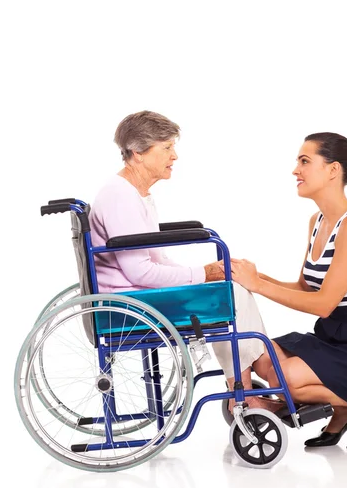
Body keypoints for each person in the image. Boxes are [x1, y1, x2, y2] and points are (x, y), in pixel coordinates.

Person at [228, 132, 347, 452]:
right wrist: (252, 278)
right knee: (261, 360)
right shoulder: (318, 221)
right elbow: (304, 288)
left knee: (283, 378)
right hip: (336, 336)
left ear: (332, 170)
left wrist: (258, 285)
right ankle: (345, 406)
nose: (295, 170)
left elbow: (324, 303)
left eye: (304, 161)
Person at [89, 110, 278, 411]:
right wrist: (201, 274)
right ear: (138, 152)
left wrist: (205, 274)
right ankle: (246, 394)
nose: (174, 156)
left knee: (228, 285)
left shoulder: (135, 193)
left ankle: (244, 385)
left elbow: (156, 259)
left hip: (137, 294)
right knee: (232, 295)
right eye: (166, 148)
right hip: (130, 304)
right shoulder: (119, 197)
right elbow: (140, 271)